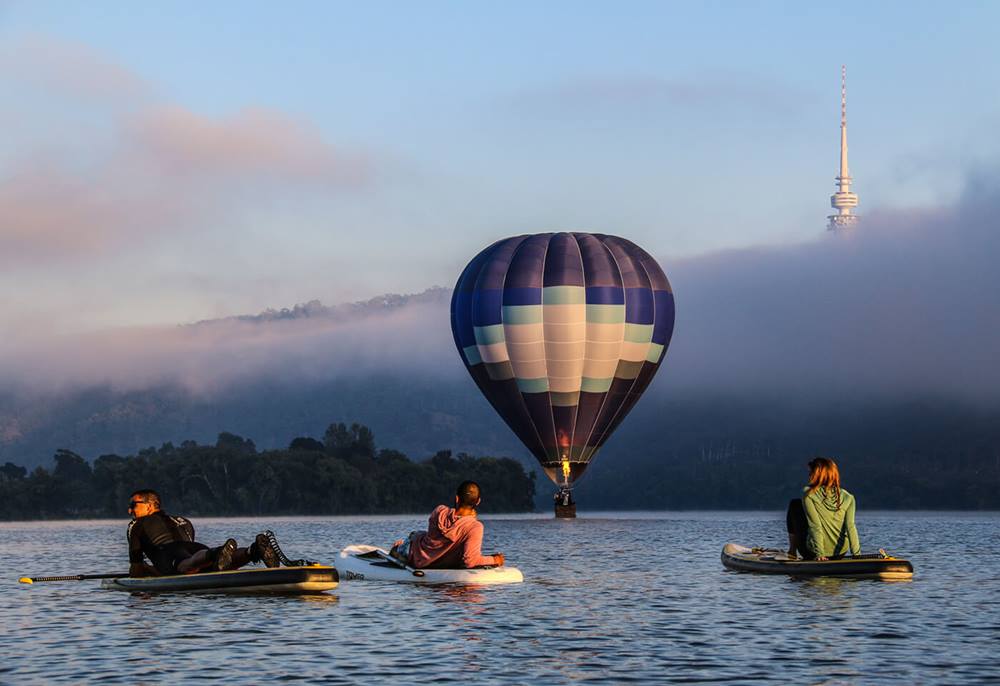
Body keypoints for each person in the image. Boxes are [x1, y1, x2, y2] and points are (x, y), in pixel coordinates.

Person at [126, 489, 279, 576]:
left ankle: (217, 552)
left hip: (171, 553)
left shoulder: (138, 525)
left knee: (185, 567)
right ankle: (252, 551)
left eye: (134, 505)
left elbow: (136, 570)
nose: (130, 510)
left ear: (152, 505)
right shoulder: (182, 520)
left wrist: (146, 569)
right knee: (218, 566)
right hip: (198, 549)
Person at [391, 481, 504, 569]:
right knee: (416, 535)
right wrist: (495, 560)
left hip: (415, 555)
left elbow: (442, 536)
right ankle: (397, 548)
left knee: (416, 535)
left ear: (457, 498)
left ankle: (399, 548)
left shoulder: (439, 511)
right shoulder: (475, 527)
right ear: (478, 501)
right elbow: (470, 561)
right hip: (431, 560)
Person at [786, 458, 861, 560]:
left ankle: (792, 551)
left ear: (816, 474)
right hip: (840, 553)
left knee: (794, 504)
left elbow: (815, 526)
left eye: (811, 472)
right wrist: (857, 555)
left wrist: (820, 554)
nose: (809, 476)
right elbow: (850, 526)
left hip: (811, 552)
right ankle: (797, 551)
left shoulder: (809, 494)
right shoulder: (849, 497)